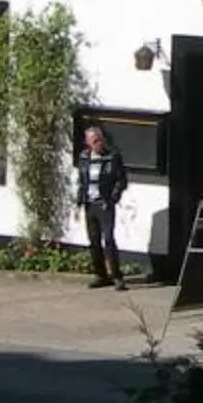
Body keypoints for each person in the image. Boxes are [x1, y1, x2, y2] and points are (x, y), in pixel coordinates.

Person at [73, 120, 129, 288]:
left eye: (99, 139)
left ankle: (117, 276)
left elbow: (121, 181)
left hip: (104, 203)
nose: (98, 143)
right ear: (88, 143)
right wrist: (78, 203)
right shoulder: (84, 157)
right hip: (90, 204)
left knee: (109, 240)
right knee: (94, 241)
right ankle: (101, 275)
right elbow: (82, 182)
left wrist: (112, 199)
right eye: (94, 141)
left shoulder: (112, 156)